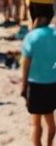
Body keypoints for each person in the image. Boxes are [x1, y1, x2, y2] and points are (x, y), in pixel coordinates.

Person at [24, 10, 56, 146]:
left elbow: (25, 65)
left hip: (34, 84)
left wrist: (23, 87)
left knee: (35, 124)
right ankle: (49, 143)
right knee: (51, 123)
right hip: (51, 83)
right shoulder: (54, 35)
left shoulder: (31, 37)